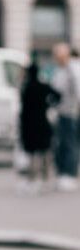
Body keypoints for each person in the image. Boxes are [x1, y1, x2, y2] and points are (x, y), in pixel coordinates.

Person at [18, 61, 60, 193]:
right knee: (44, 152)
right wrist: (48, 105)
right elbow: (58, 96)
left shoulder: (26, 88)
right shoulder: (43, 86)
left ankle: (32, 179)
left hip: (30, 125)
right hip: (42, 123)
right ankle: (45, 178)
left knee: (32, 154)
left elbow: (23, 111)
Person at [51, 43, 79, 191]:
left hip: (71, 112)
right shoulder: (61, 70)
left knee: (70, 144)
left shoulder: (73, 69)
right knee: (62, 144)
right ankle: (63, 174)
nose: (57, 59)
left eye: (59, 56)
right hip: (62, 111)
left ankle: (69, 175)